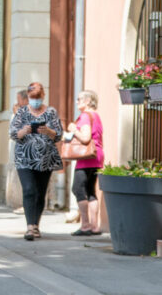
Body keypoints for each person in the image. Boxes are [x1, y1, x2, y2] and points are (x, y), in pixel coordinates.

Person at [9, 82, 62, 241]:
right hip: (24, 158)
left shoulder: (51, 112)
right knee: (29, 189)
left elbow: (58, 135)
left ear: (43, 96)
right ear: (28, 97)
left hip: (45, 159)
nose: (35, 101)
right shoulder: (22, 112)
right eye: (32, 98)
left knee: (40, 192)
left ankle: (36, 225)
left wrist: (48, 131)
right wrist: (24, 131)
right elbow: (13, 134)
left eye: (38, 98)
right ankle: (29, 227)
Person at [68, 90, 104, 236]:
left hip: (86, 157)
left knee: (77, 188)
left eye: (79, 99)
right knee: (90, 190)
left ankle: (85, 225)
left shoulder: (84, 117)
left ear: (87, 101)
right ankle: (95, 226)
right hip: (97, 156)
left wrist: (73, 129)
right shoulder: (96, 116)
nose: (76, 102)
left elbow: (85, 138)